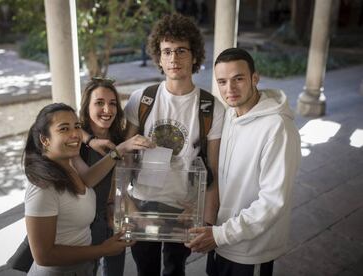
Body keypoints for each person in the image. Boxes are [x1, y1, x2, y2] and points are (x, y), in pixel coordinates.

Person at [123, 13, 225, 276]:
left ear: (195, 56)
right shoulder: (141, 99)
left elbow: (214, 169)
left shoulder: (211, 107)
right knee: (145, 270)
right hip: (144, 203)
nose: (173, 58)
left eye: (181, 50)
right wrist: (128, 208)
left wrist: (207, 219)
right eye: (166, 51)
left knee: (175, 269)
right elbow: (124, 160)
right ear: (158, 56)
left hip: (185, 208)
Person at [185, 48, 301, 276]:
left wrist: (220, 235)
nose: (230, 89)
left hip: (250, 250)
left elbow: (272, 202)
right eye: (222, 81)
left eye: (238, 78)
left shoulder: (278, 128)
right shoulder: (229, 116)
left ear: (254, 78)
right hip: (222, 241)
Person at [24, 103, 154, 275]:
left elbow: (91, 178)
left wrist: (120, 149)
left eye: (77, 126)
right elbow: (44, 256)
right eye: (63, 129)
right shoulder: (43, 188)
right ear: (44, 139)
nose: (75, 134)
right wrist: (103, 250)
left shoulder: (69, 166)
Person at [79, 78, 126, 276]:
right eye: (99, 103)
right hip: (83, 224)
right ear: (86, 106)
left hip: (113, 217)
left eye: (112, 103)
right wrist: (89, 139)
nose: (107, 110)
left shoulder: (120, 138)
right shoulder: (75, 141)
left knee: (115, 271)